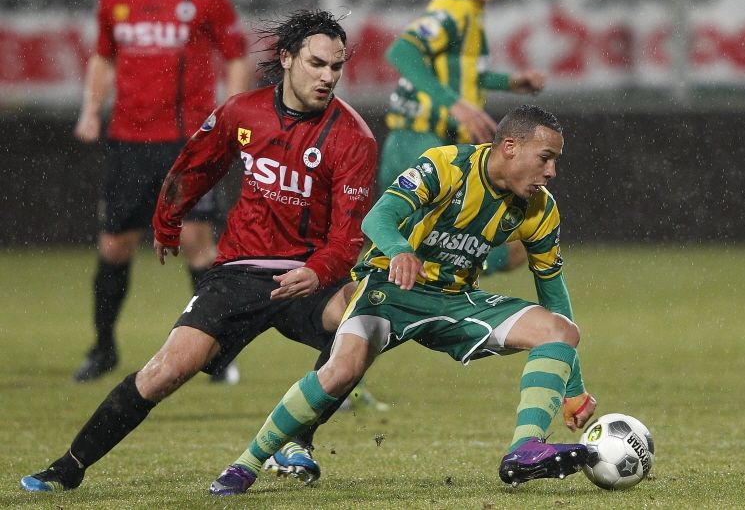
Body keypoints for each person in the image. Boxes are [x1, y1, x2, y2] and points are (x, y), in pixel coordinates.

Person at [20, 9, 377, 493]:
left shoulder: (353, 138)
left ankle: (298, 438)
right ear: (287, 58)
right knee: (166, 371)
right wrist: (167, 219)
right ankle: (68, 467)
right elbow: (196, 166)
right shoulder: (241, 112)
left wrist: (317, 272)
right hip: (239, 272)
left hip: (311, 275)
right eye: (317, 63)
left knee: (364, 320)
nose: (328, 77)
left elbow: (347, 240)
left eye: (336, 66)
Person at [210, 104, 597, 495]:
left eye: (555, 161)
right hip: (391, 288)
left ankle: (525, 449)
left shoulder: (541, 209)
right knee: (341, 372)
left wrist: (573, 386)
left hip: (455, 301)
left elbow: (552, 290)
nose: (551, 171)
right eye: (545, 158)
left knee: (558, 330)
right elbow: (378, 217)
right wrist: (399, 251)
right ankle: (245, 464)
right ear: (510, 147)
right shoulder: (447, 165)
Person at [72, 0, 251, 384]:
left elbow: (236, 56)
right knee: (115, 244)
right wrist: (91, 109)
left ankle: (217, 353)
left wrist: (231, 117)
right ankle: (103, 348)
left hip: (188, 140)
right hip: (129, 141)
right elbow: (104, 57)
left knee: (196, 241)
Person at [380, 0, 547, 275]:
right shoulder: (454, 7)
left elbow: (462, 74)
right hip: (418, 141)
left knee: (416, 249)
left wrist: (509, 82)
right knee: (472, 249)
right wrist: (453, 104)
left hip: (419, 141)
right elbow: (402, 51)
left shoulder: (471, 10)